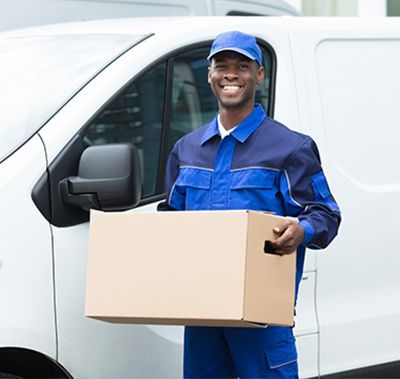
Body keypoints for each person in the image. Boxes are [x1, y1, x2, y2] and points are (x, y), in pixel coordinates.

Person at [158, 31, 341, 379]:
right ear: (209, 74)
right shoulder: (186, 150)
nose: (231, 74)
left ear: (259, 75)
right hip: (202, 313)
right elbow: (170, 220)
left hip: (262, 317)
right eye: (222, 66)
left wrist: (302, 229)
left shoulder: (290, 147)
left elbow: (326, 214)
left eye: (242, 66)